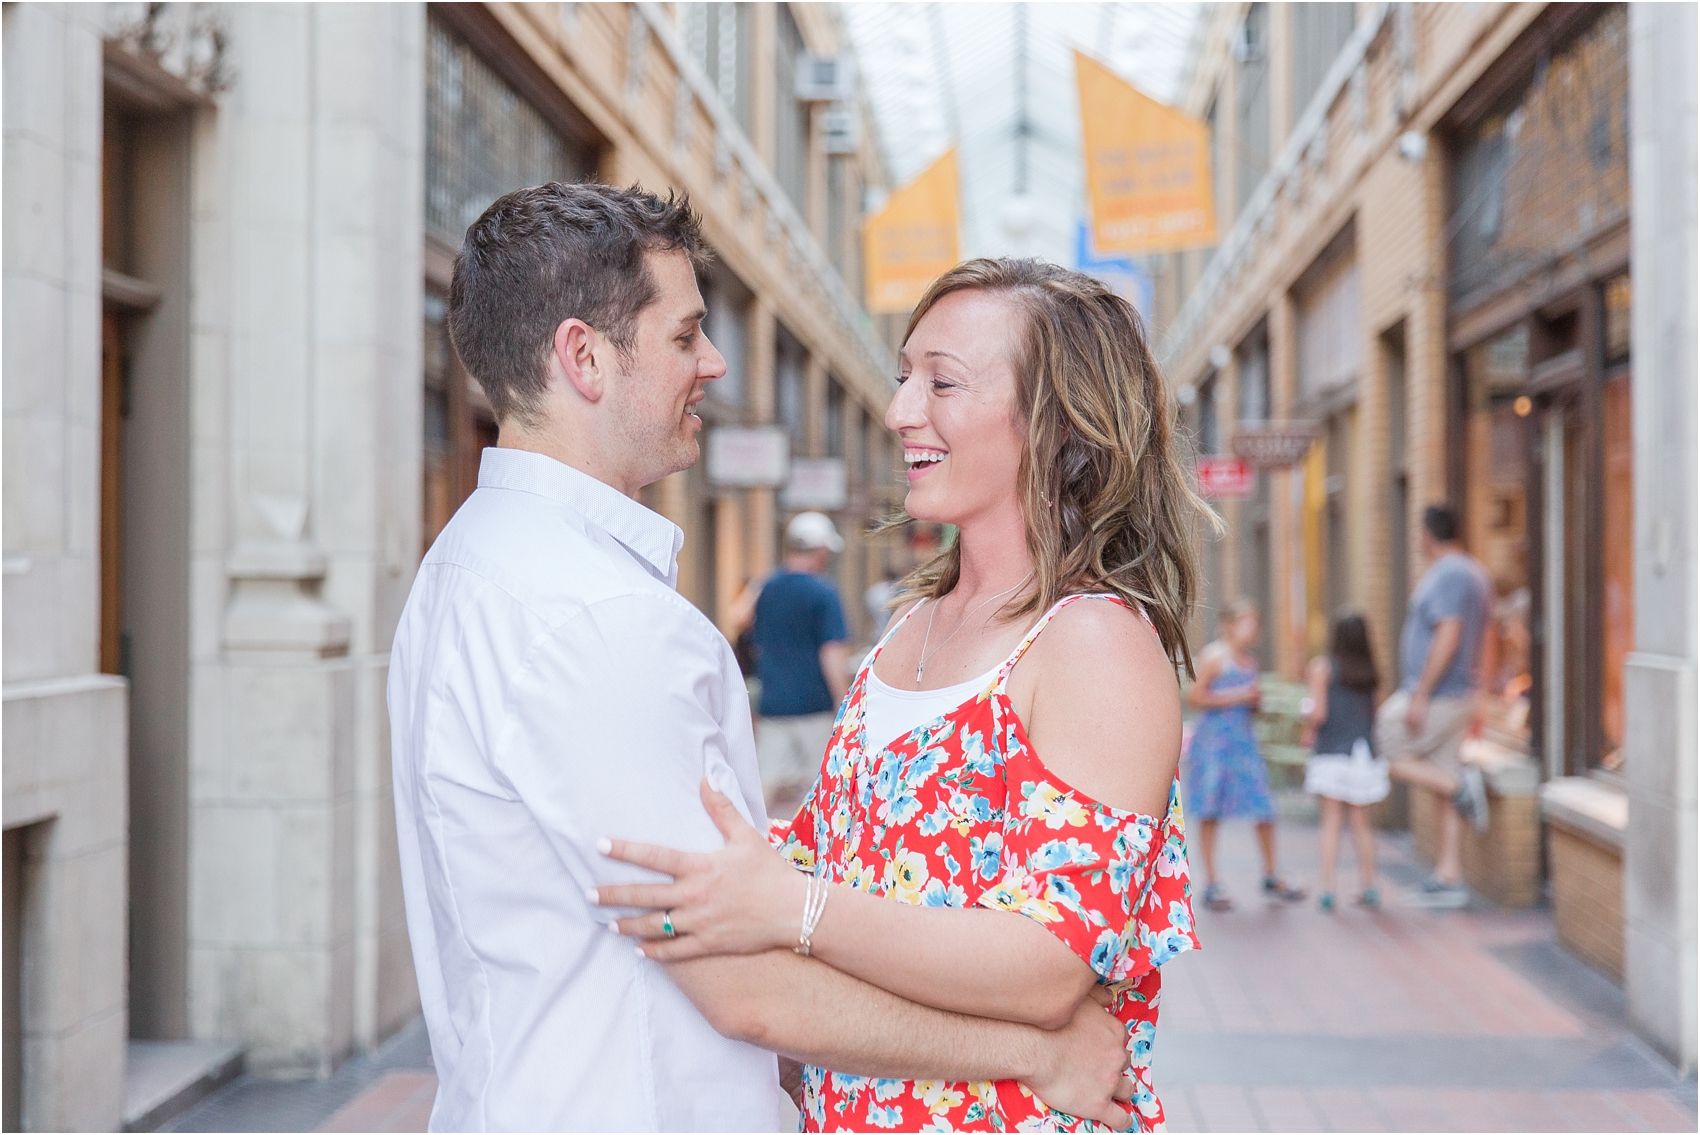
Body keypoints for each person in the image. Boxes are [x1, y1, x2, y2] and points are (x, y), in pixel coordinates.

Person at [388, 187, 1137, 1132]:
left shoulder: (466, 564)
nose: (715, 361)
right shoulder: (598, 617)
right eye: (685, 334)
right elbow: (747, 985)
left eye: (939, 382)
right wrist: (1038, 1052)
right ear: (584, 358)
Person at [591, 257, 1212, 1132]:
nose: (900, 410)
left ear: (1059, 422)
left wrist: (792, 906)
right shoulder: (910, 623)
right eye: (904, 378)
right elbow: (831, 866)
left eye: (942, 382)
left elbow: (1049, 962)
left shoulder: (1093, 640)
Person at [1376, 503, 1493, 908]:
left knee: (1388, 750)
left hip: (1442, 695)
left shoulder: (1452, 573)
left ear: (1428, 534)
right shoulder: (1473, 572)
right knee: (1443, 774)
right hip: (1462, 693)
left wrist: (1421, 694)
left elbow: (1449, 634)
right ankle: (1450, 875)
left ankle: (1462, 786)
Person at [1183, 600, 1304, 911]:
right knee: (1211, 811)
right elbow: (1194, 696)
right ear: (1229, 626)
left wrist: (1254, 703)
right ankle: (1211, 881)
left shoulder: (1250, 662)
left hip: (1244, 744)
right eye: (1245, 623)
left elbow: (1252, 707)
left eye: (1254, 624)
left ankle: (1271, 873)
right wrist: (1236, 696)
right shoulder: (1214, 657)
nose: (1251, 630)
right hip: (1214, 746)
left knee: (1264, 807)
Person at [750, 512, 852, 817]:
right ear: (820, 550)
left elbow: (752, 633)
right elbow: (832, 650)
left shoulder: (766, 588)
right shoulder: (823, 592)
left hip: (773, 704)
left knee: (763, 788)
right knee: (818, 787)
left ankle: (754, 846)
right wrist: (841, 697)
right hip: (814, 706)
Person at [1302, 612, 1389, 912]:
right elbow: (1375, 714)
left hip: (1333, 752)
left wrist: (1307, 726)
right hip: (1364, 753)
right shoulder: (1371, 672)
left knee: (1331, 822)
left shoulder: (1323, 668)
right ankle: (1370, 886)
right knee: (1362, 823)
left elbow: (1319, 713)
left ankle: (1327, 889)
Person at [864, 567, 900, 638]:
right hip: (889, 631)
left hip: (878, 632)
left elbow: (868, 615)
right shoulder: (895, 590)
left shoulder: (874, 591)